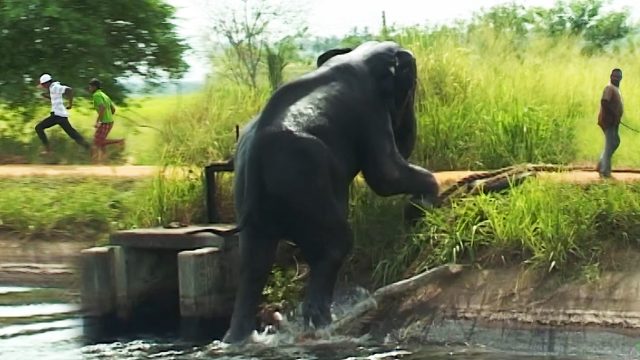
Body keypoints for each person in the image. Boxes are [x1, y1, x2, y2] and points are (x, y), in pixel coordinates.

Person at [35, 73, 91, 154]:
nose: (43, 87)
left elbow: (69, 90)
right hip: (60, 115)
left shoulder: (55, 87)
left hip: (57, 115)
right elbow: (55, 99)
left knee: (38, 128)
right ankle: (91, 149)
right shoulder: (52, 88)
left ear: (47, 83)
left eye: (43, 85)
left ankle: (48, 150)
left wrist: (70, 104)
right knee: (73, 134)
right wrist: (46, 96)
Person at [88, 78, 125, 163]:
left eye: (90, 87)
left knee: (98, 141)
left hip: (105, 122)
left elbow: (102, 107)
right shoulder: (104, 95)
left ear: (94, 87)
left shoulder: (96, 95)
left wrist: (98, 121)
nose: (89, 89)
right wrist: (108, 116)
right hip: (109, 121)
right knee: (98, 141)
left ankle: (119, 141)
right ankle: (103, 160)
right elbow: (113, 109)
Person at [596, 68, 624, 179]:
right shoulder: (609, 88)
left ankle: (601, 164)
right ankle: (605, 172)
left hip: (613, 121)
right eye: (615, 76)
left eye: (619, 77)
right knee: (610, 144)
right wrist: (614, 115)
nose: (617, 78)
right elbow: (604, 101)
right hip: (608, 121)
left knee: (615, 142)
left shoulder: (615, 88)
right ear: (611, 76)